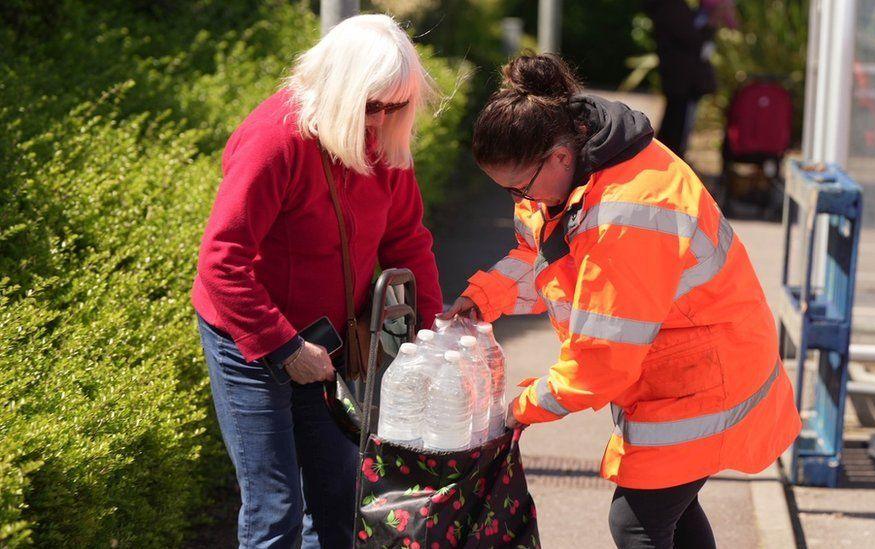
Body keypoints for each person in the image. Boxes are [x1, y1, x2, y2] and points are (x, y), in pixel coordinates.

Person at [445, 53, 800, 549]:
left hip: (702, 383)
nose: (517, 198)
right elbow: (549, 259)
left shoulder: (625, 214)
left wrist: (521, 407)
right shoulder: (584, 166)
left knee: (637, 524)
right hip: (689, 372)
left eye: (519, 186)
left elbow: (601, 360)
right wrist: (484, 298)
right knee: (667, 513)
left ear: (560, 157)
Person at [192, 14, 443, 548]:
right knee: (275, 508)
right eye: (372, 104)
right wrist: (283, 346)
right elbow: (221, 263)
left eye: (396, 106)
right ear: (340, 86)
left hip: (325, 342)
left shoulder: (384, 144)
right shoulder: (273, 141)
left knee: (339, 497)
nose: (381, 119)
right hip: (251, 338)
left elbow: (408, 241)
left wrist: (433, 332)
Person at [647, 0, 734, 159]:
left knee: (675, 121)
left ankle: (667, 158)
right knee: (677, 124)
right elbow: (692, 39)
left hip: (679, 76)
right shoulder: (671, 7)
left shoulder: (671, 7)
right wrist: (710, 25)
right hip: (682, 78)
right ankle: (669, 160)